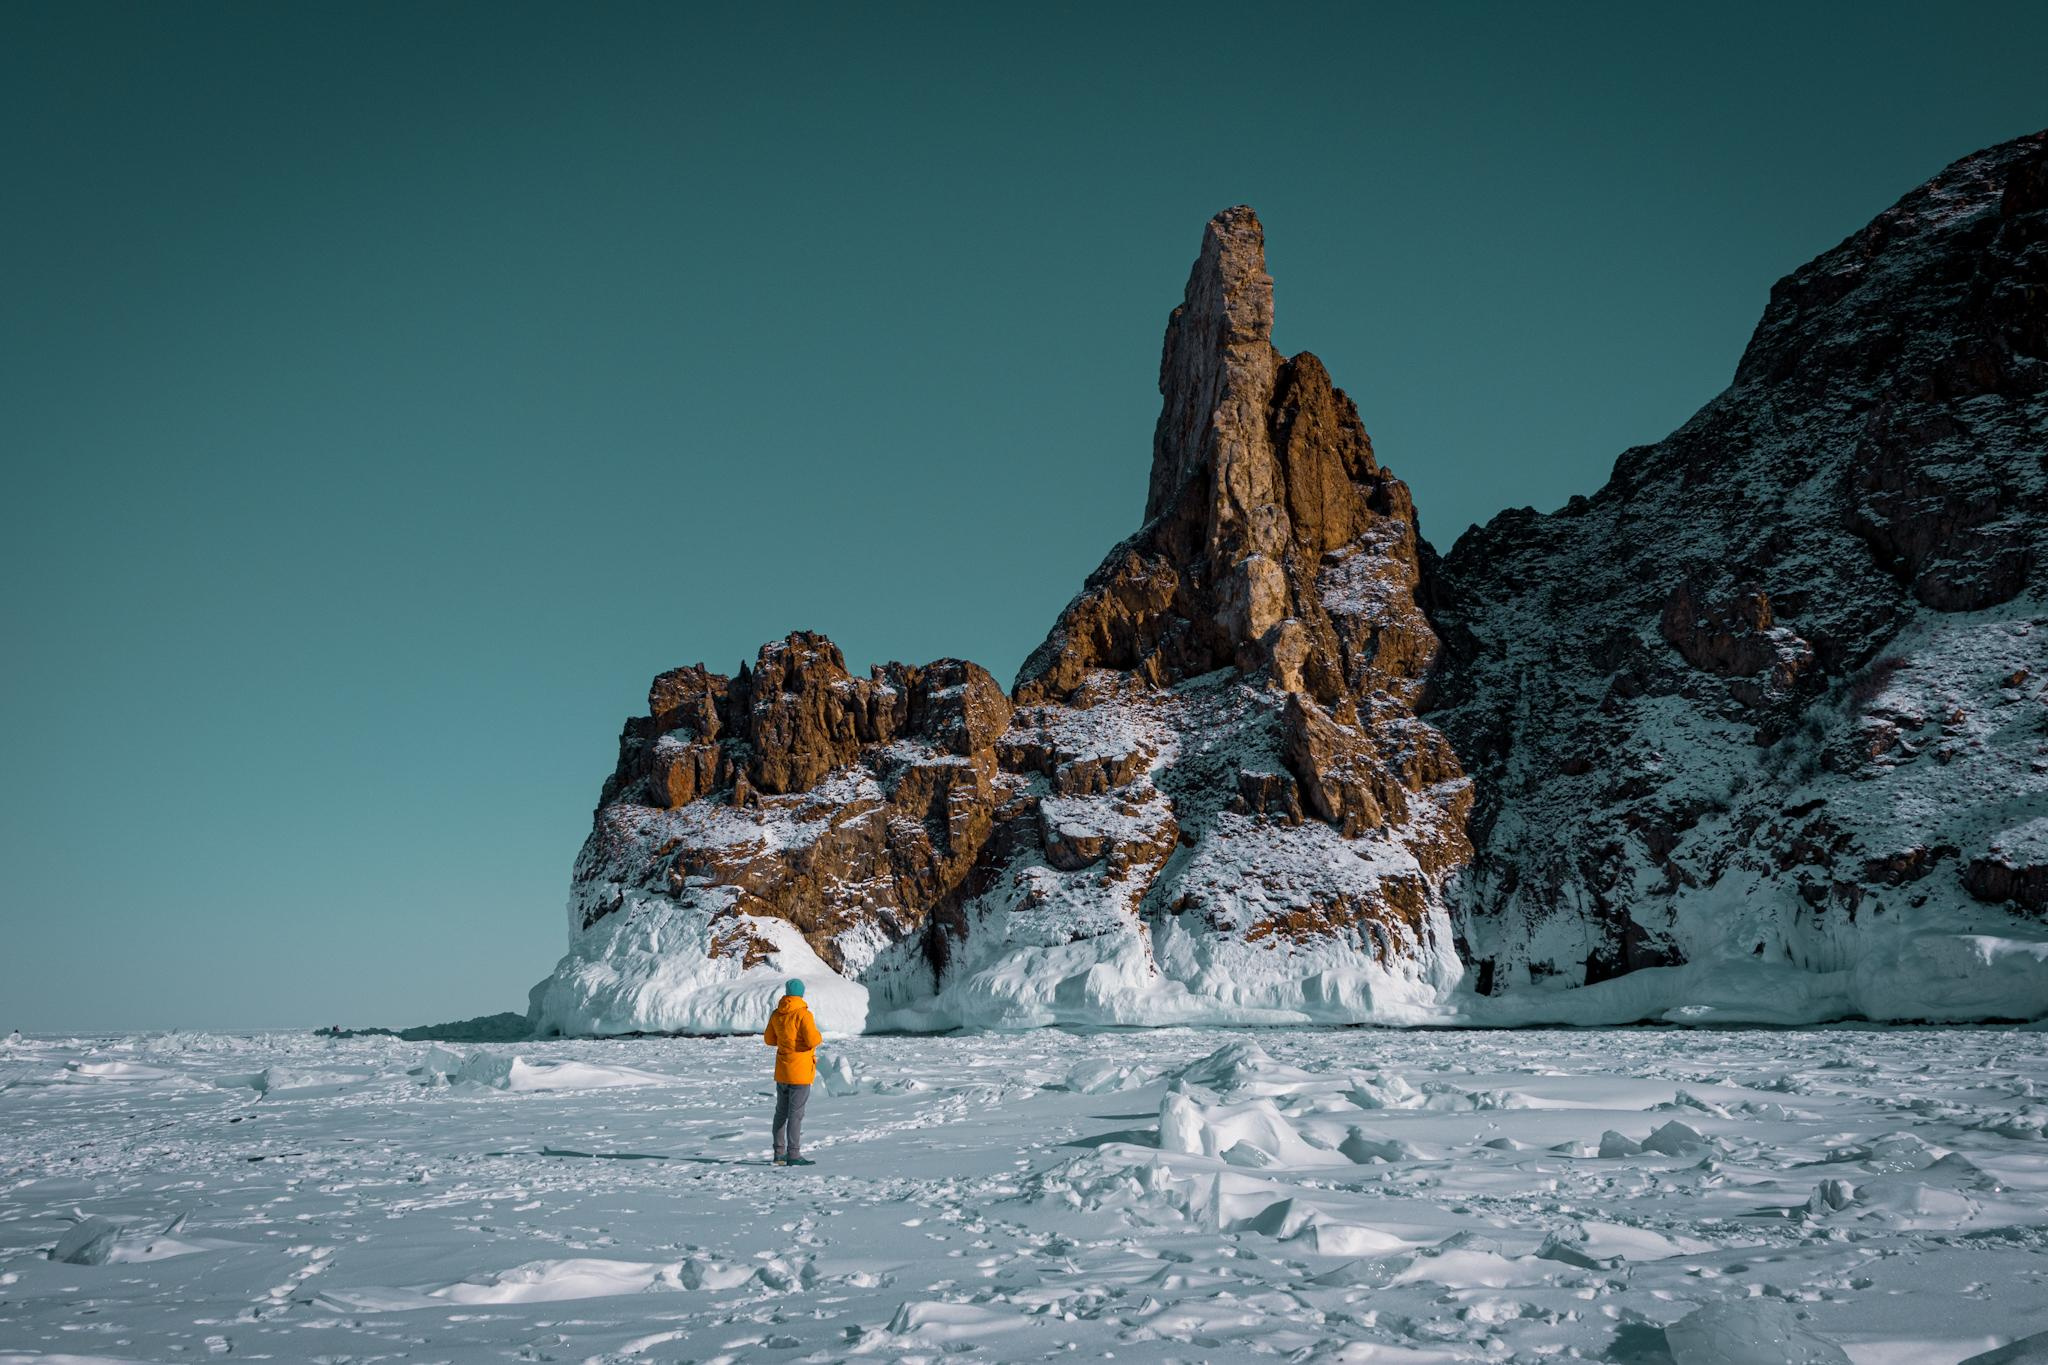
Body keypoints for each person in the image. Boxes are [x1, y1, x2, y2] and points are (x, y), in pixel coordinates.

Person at [762, 978, 821, 1166]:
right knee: (795, 1114)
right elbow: (813, 1040)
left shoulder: (777, 1013)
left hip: (782, 1070)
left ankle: (778, 1154)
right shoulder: (803, 1015)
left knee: (781, 1112)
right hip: (800, 1070)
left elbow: (769, 1040)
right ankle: (793, 1155)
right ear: (801, 993)